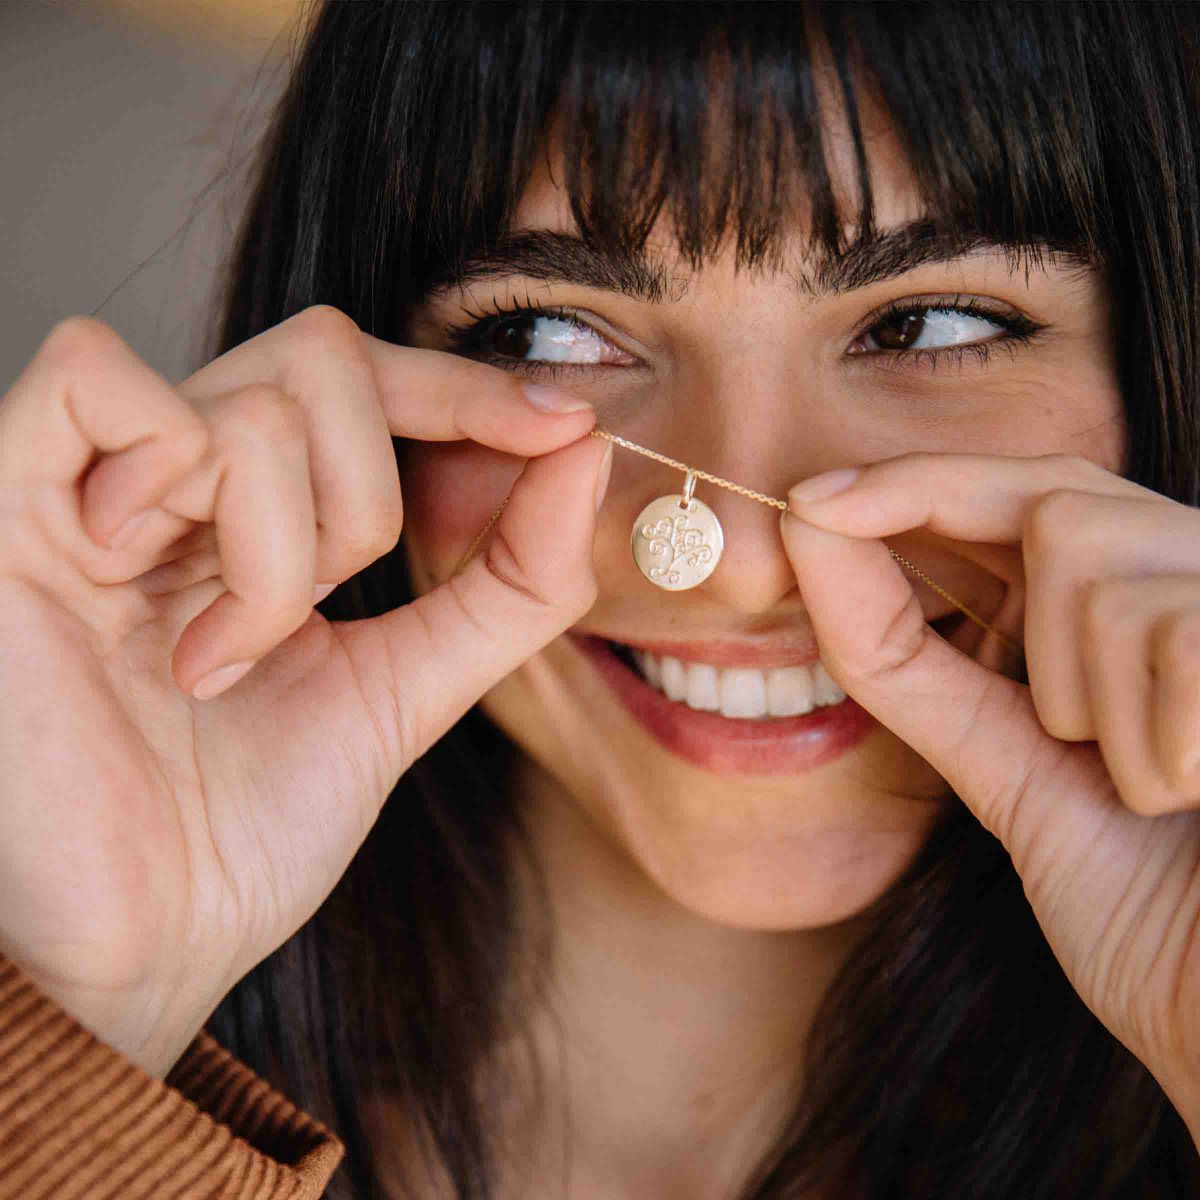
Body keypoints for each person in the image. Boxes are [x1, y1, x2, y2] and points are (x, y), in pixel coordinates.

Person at [2, 1, 1200, 1196]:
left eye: (926, 323)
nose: (740, 560)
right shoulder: (89, 1002)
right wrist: (87, 1019)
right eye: (550, 332)